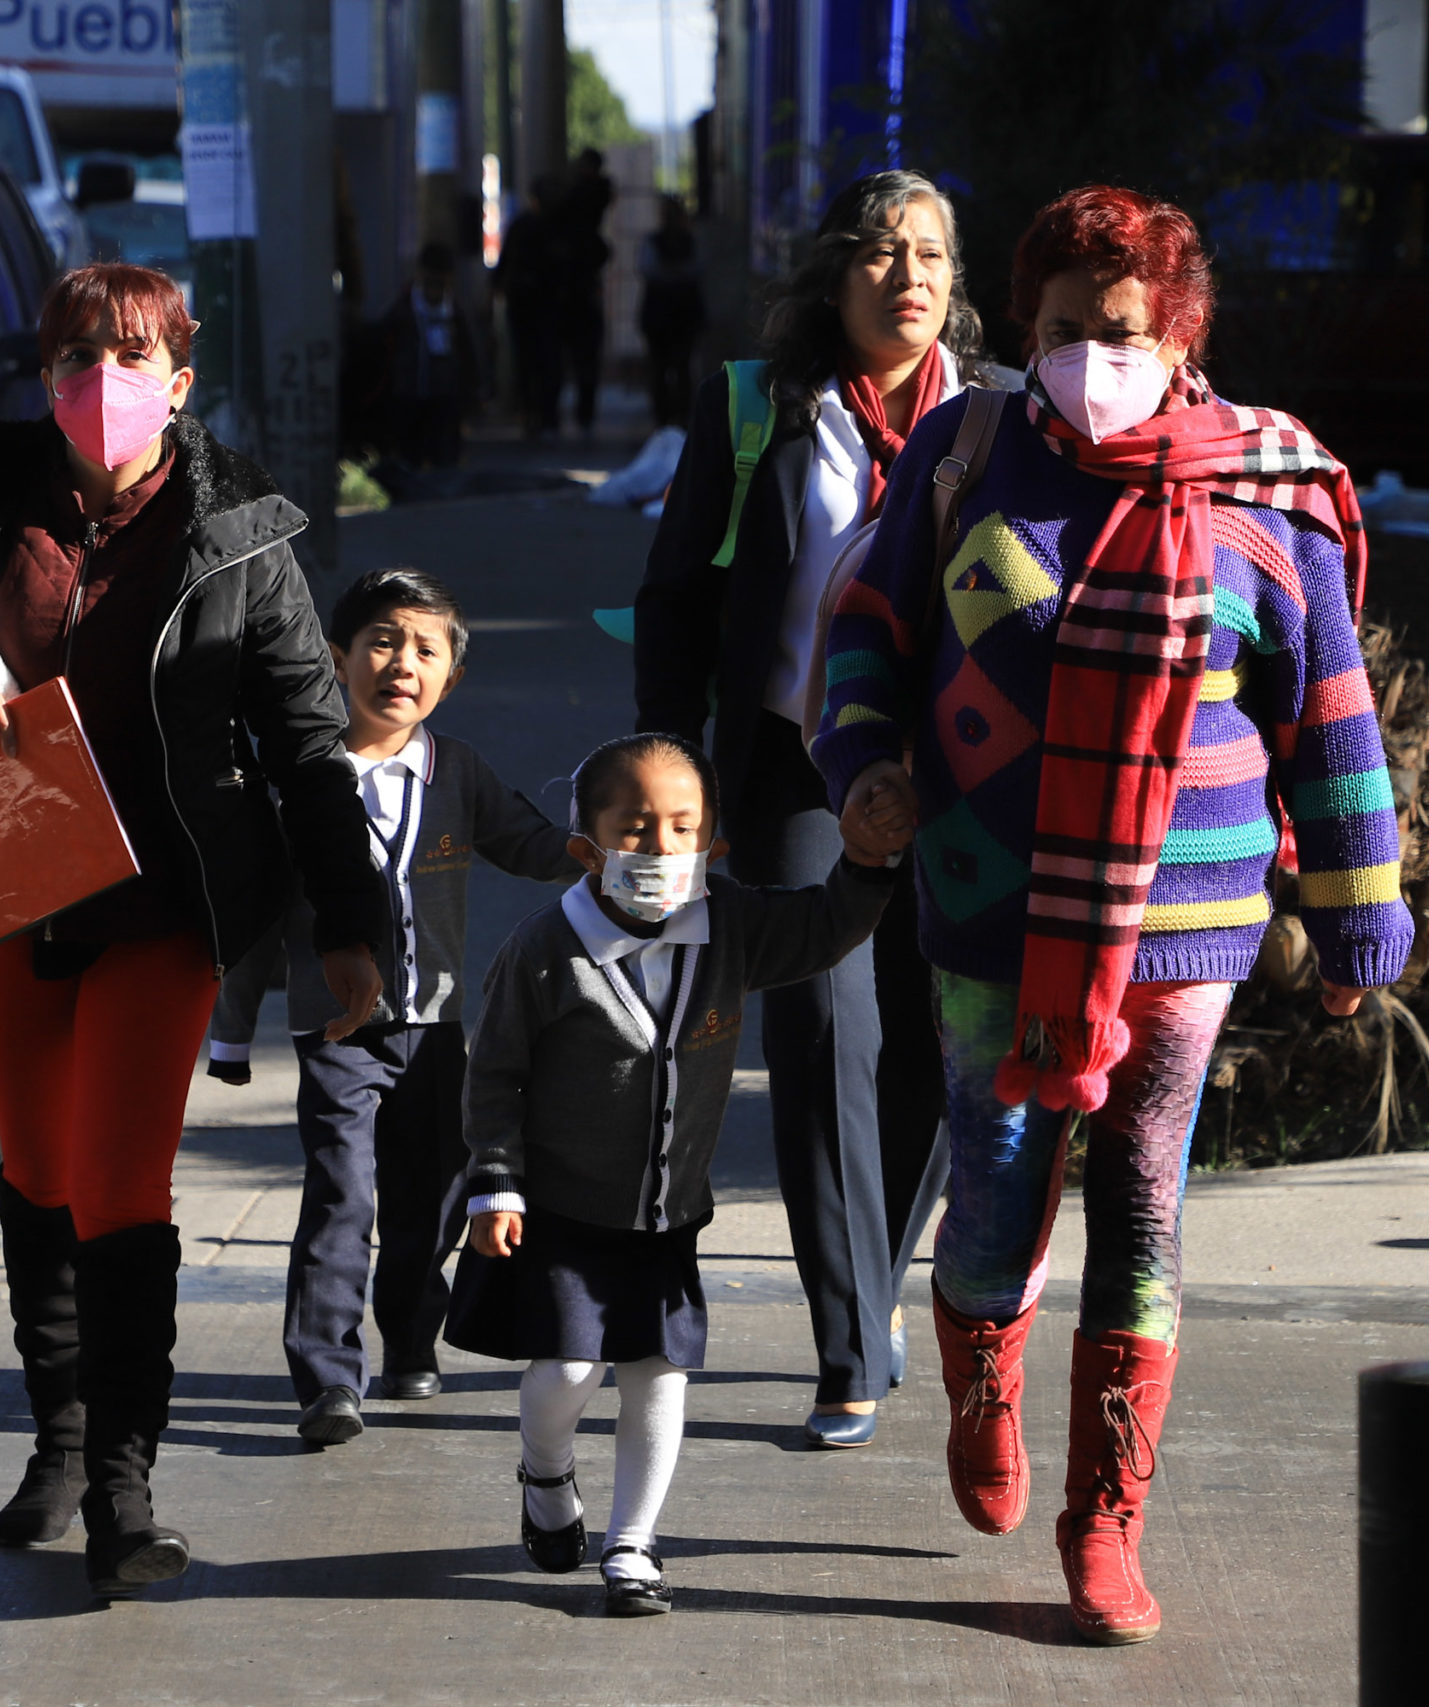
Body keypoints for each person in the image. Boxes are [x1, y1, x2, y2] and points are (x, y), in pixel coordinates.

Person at [812, 186, 1414, 1644]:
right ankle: (980, 1380)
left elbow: (1330, 715)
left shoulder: (1262, 494)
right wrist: (864, 761)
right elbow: (865, 626)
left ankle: (1107, 1518)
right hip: (987, 908)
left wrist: (1355, 919)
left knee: (1144, 1201)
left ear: (1180, 333)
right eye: (1067, 327)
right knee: (995, 1190)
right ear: (1030, 327)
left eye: (1123, 328)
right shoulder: (968, 455)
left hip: (1186, 925)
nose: (1094, 352)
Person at [0, 262, 390, 1598]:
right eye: (80, 353)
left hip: (166, 895)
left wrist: (352, 927)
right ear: (44, 374)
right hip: (9, 873)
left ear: (181, 378)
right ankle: (60, 1430)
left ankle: (123, 1488)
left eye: (134, 354)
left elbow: (315, 742)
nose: (104, 378)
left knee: (121, 1179)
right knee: (36, 1164)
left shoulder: (242, 530)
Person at [632, 169, 994, 1448]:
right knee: (822, 1044)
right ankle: (847, 1345)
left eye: (932, 257)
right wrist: (673, 767)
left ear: (957, 288)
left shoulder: (998, 425)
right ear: (837, 275)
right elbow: (676, 597)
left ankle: (878, 1277)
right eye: (884, 254)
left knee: (934, 1044)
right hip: (796, 770)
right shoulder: (754, 409)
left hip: (963, 775)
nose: (908, 277)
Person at [444, 733, 912, 1615]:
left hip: (665, 1217)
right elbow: (494, 1074)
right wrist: (495, 1180)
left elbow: (822, 927)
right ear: (588, 848)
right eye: (636, 829)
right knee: (569, 1374)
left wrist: (865, 858)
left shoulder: (728, 925)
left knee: (660, 1374)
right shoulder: (545, 951)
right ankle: (546, 1473)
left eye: (683, 828)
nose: (661, 849)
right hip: (562, 1213)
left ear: (715, 845)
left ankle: (632, 1544)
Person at [203, 568, 575, 1441]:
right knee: (342, 1193)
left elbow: (525, 841)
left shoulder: (458, 771)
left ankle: (411, 1341)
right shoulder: (300, 779)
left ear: (450, 677)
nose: (401, 662)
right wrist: (228, 1032)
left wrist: (592, 849)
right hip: (335, 1029)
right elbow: (252, 920)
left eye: (425, 648)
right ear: (335, 659)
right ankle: (328, 1376)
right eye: (380, 640)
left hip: (437, 1027)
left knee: (434, 1198)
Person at [382, 242, 479, 470]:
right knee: (412, 456)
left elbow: (467, 354)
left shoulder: (454, 312)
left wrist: (471, 392)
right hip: (411, 397)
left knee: (444, 457)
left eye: (441, 282)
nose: (436, 289)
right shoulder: (404, 310)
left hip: (445, 399)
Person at [494, 176, 568, 438]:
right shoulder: (546, 227)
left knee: (535, 362)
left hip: (535, 304)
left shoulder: (534, 226)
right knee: (540, 362)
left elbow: (505, 264)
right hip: (535, 304)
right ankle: (538, 414)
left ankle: (537, 414)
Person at [557, 148, 615, 436]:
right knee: (580, 356)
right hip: (577, 290)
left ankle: (580, 413)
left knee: (581, 356)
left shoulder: (583, 197)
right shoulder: (587, 199)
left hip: (576, 290)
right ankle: (580, 413)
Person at [635, 195, 706, 428]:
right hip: (660, 316)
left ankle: (680, 417)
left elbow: (695, 269)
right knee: (660, 369)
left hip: (682, 315)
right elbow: (649, 269)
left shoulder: (689, 242)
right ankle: (664, 417)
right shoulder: (655, 242)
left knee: (681, 368)